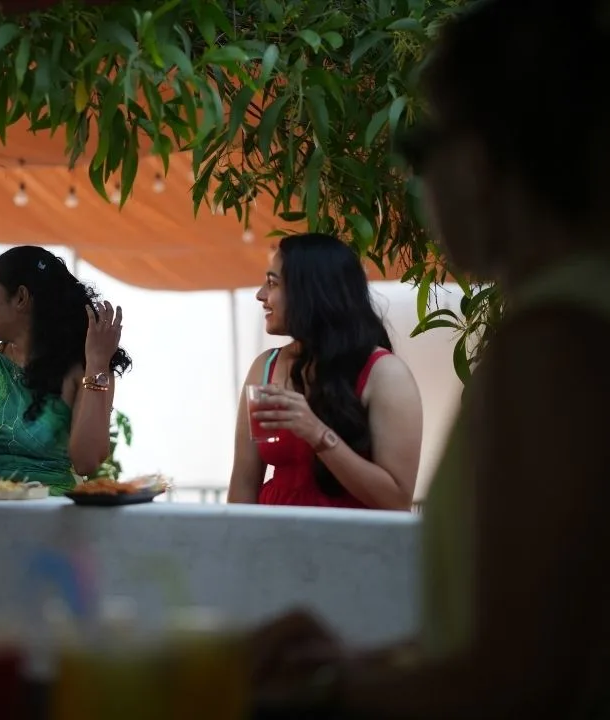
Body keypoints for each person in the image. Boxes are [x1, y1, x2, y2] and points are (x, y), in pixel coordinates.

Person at [247, 0, 610, 716]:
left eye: (420, 148)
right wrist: (374, 661)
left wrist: (324, 694)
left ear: (479, 160)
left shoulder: (551, 344)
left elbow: (521, 680)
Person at [227, 233, 423, 510]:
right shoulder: (265, 367)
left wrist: (318, 434)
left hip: (347, 545)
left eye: (272, 283)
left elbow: (397, 500)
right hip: (272, 544)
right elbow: (244, 484)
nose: (260, 295)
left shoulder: (384, 373)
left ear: (311, 291)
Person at [0, 246, 131, 495]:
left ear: (21, 298)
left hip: (50, 518)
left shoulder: (85, 368)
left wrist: (98, 364)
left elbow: (87, 463)